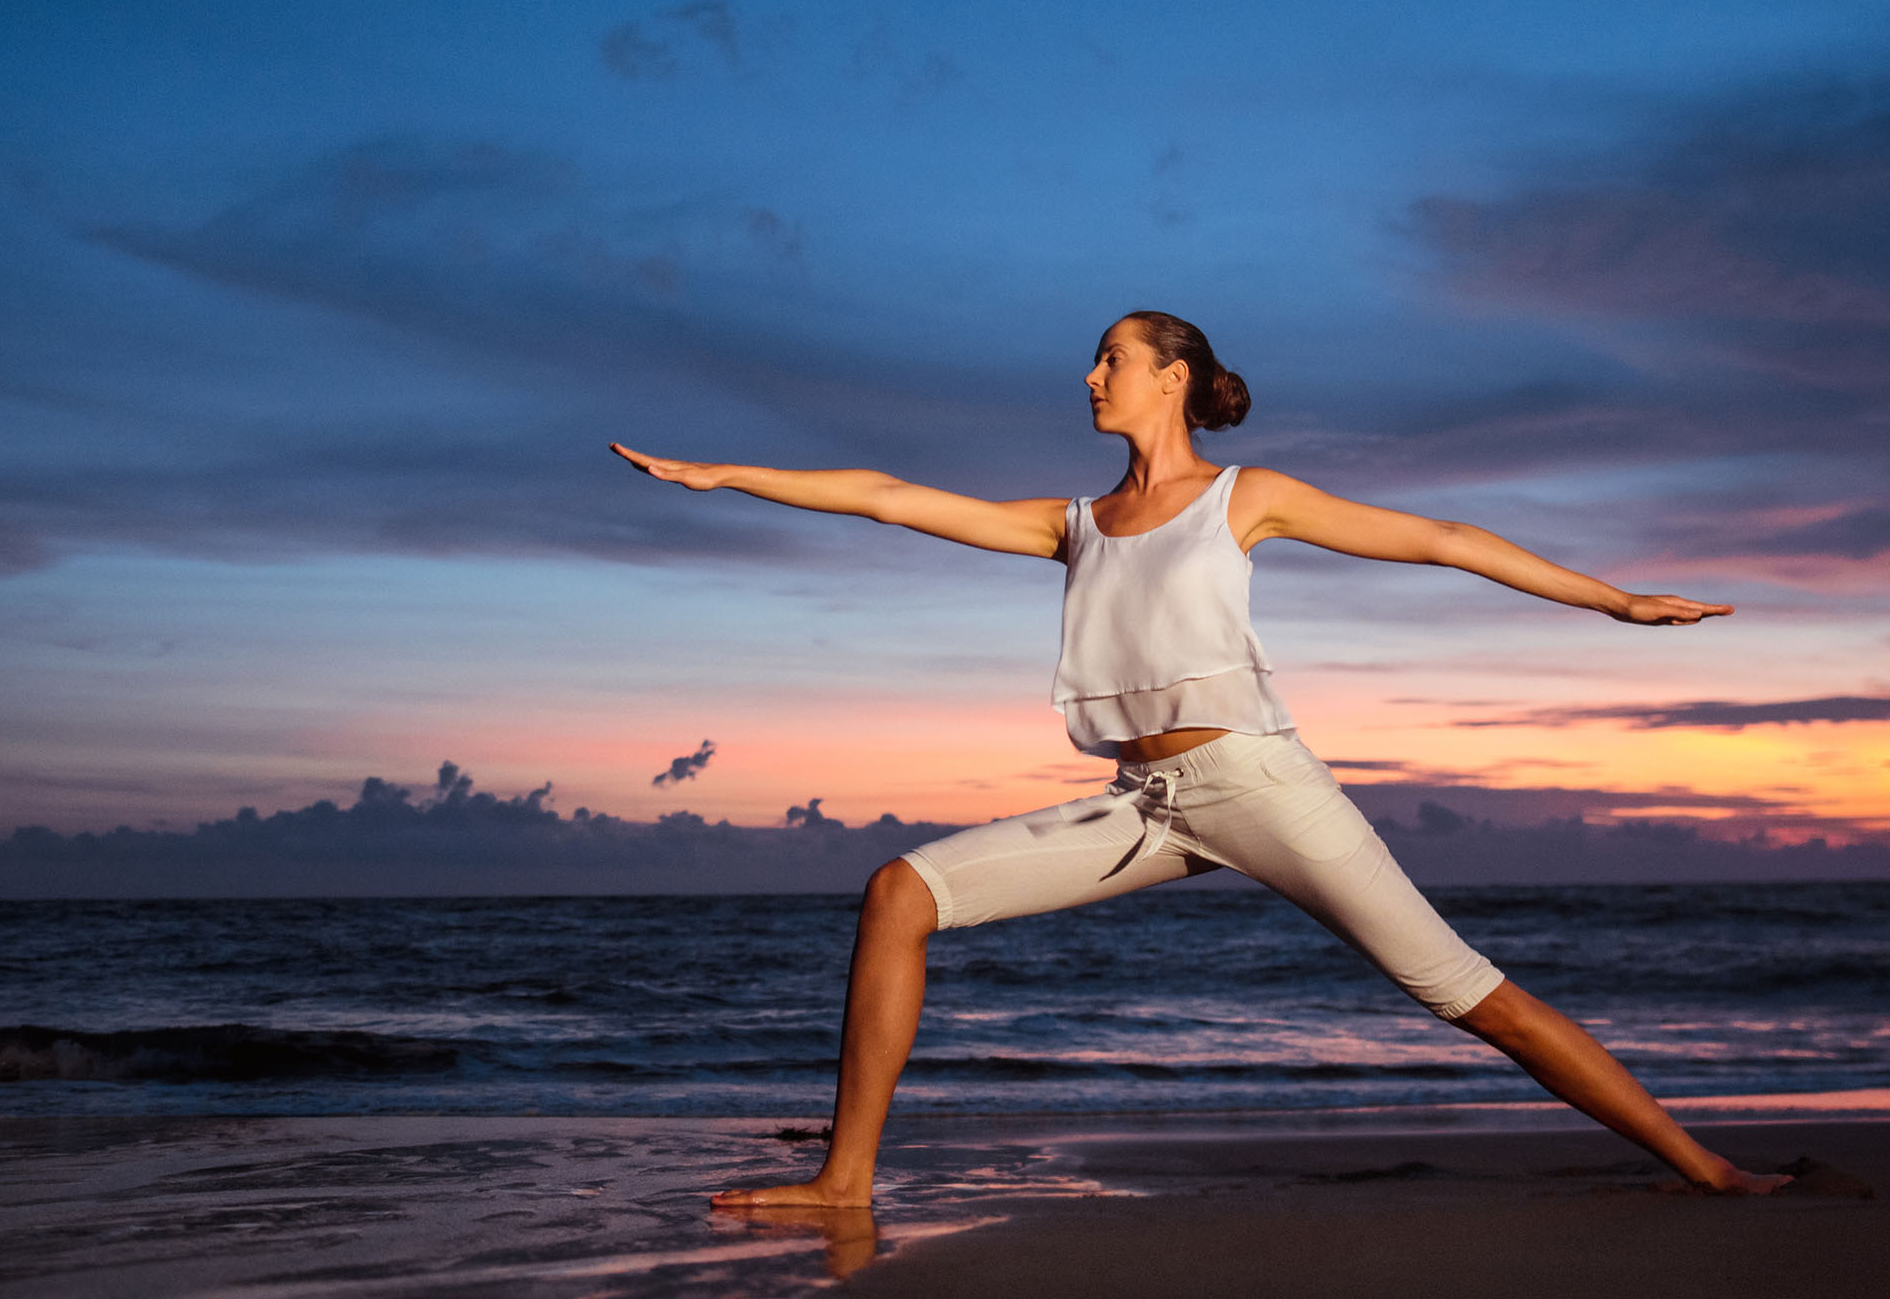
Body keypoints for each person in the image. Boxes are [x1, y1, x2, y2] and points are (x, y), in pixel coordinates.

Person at [611, 311, 1792, 1203]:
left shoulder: (1244, 496)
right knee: (897, 893)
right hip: (1144, 803)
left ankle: (1709, 1169)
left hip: (1262, 783)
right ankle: (844, 1178)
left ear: (1169, 378)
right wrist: (723, 473)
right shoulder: (1070, 522)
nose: (1088, 377)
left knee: (1468, 995)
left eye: (1109, 359)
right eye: (1093, 362)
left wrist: (1613, 601)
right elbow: (886, 496)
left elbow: (1436, 537)